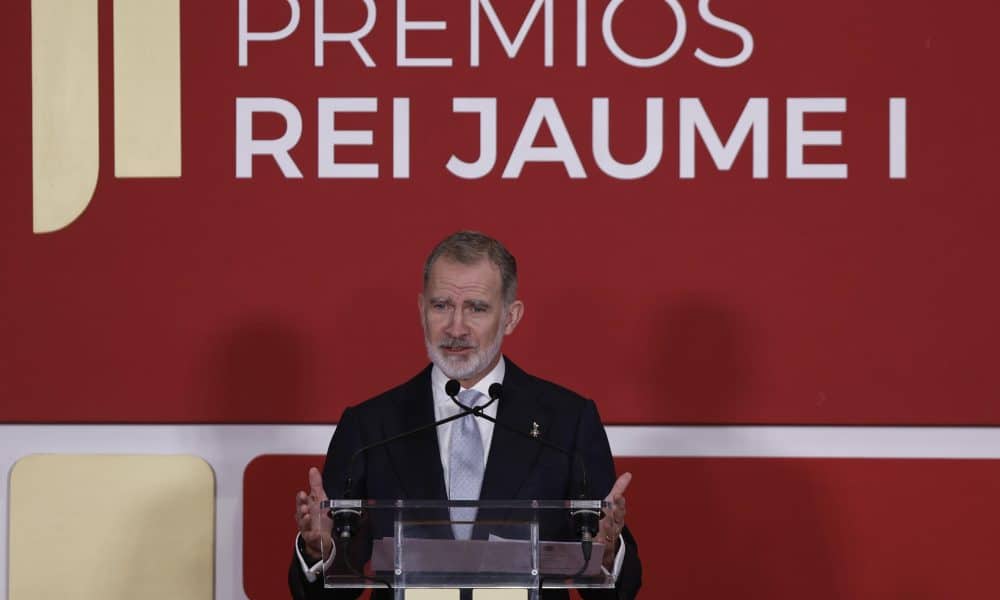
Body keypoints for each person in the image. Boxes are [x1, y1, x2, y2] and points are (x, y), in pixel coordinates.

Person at [289, 231, 641, 599]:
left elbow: (616, 589)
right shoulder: (370, 426)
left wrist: (607, 553)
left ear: (510, 317)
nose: (456, 328)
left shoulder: (567, 421)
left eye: (476, 308)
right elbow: (328, 591)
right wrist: (321, 552)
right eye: (441, 306)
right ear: (421, 309)